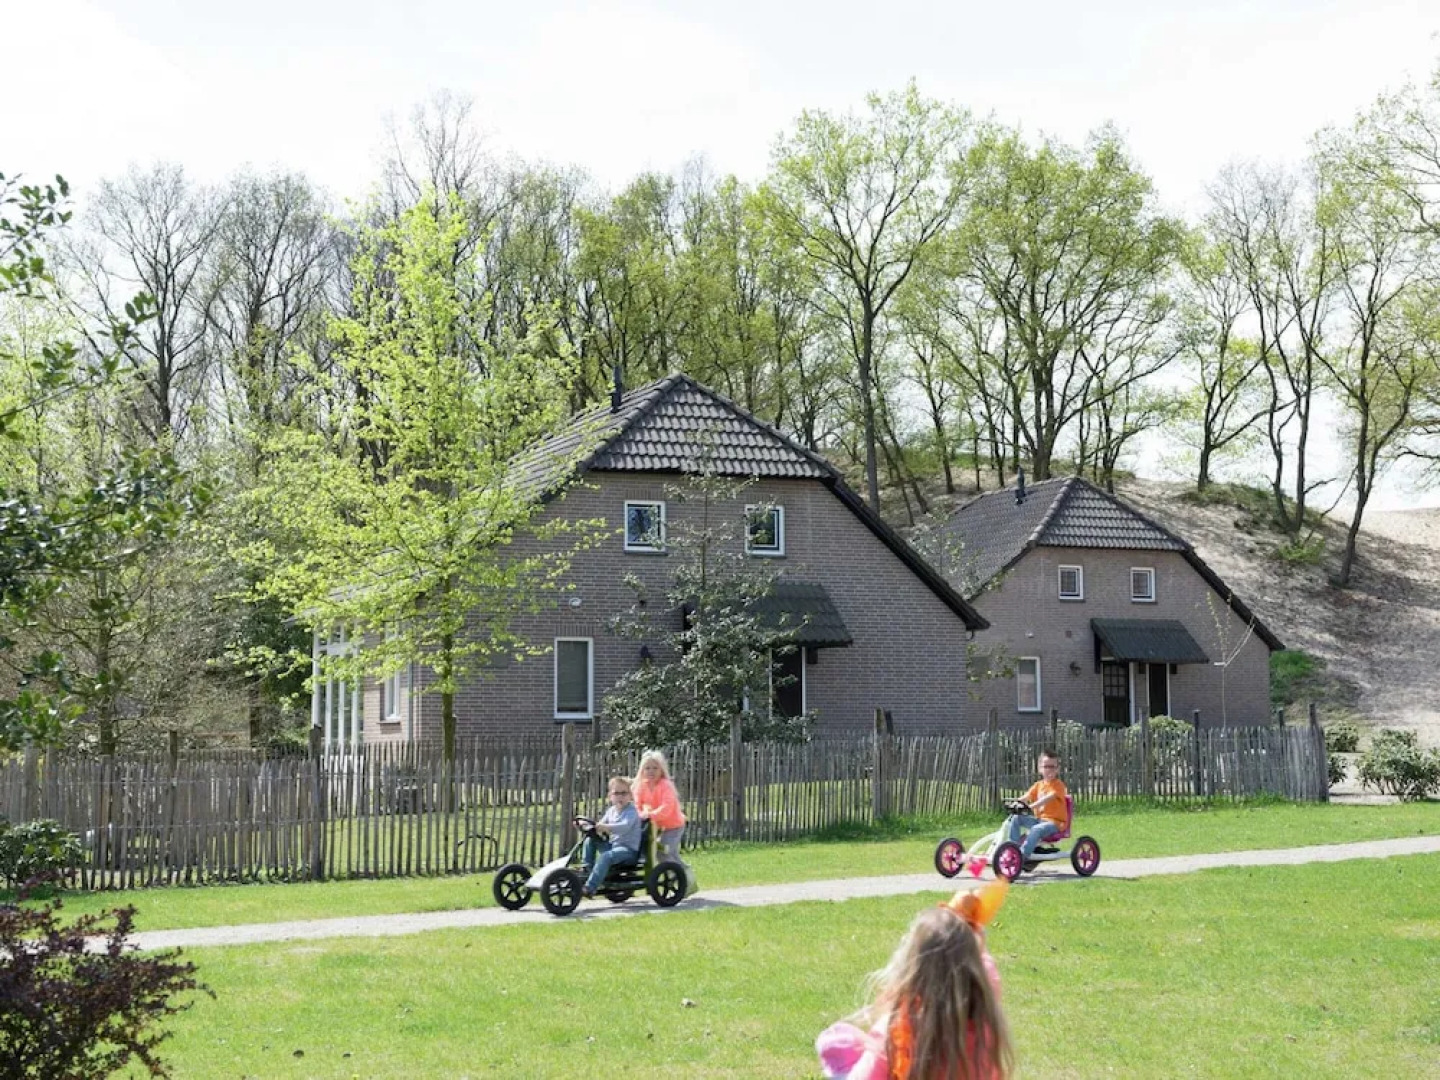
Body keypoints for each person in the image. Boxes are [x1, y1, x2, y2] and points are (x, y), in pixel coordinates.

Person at [816, 881, 1013, 1079]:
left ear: (912, 968)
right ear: (975, 971)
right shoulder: (983, 1028)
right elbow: (988, 972)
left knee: (839, 1044)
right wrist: (972, 937)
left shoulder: (897, 1032)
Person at [579, 776, 642, 898]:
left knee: (606, 857)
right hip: (613, 847)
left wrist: (606, 827)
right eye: (616, 793)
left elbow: (624, 827)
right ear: (610, 796)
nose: (620, 797)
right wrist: (587, 825)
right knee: (590, 840)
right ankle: (587, 869)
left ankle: (590, 888)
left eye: (624, 793)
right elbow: (599, 826)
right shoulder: (612, 810)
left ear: (631, 795)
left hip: (628, 851)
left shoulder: (631, 811)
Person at [1008, 750, 1070, 861]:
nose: (1049, 770)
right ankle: (1014, 848)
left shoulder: (1058, 785)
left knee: (1036, 830)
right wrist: (1014, 803)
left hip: (1055, 823)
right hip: (1039, 820)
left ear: (1058, 769)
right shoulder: (1038, 785)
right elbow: (1026, 797)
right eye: (1046, 767)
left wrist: (1031, 806)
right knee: (1016, 818)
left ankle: (1022, 856)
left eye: (1053, 767)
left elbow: (1048, 798)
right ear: (1040, 768)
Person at [632, 750, 686, 861]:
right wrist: (641, 815)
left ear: (661, 770)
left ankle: (678, 874)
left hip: (673, 825)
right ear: (642, 771)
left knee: (665, 851)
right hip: (653, 825)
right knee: (657, 851)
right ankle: (680, 873)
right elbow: (636, 805)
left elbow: (666, 808)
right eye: (647, 768)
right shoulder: (640, 786)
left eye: (655, 768)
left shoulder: (666, 785)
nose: (651, 771)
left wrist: (649, 815)